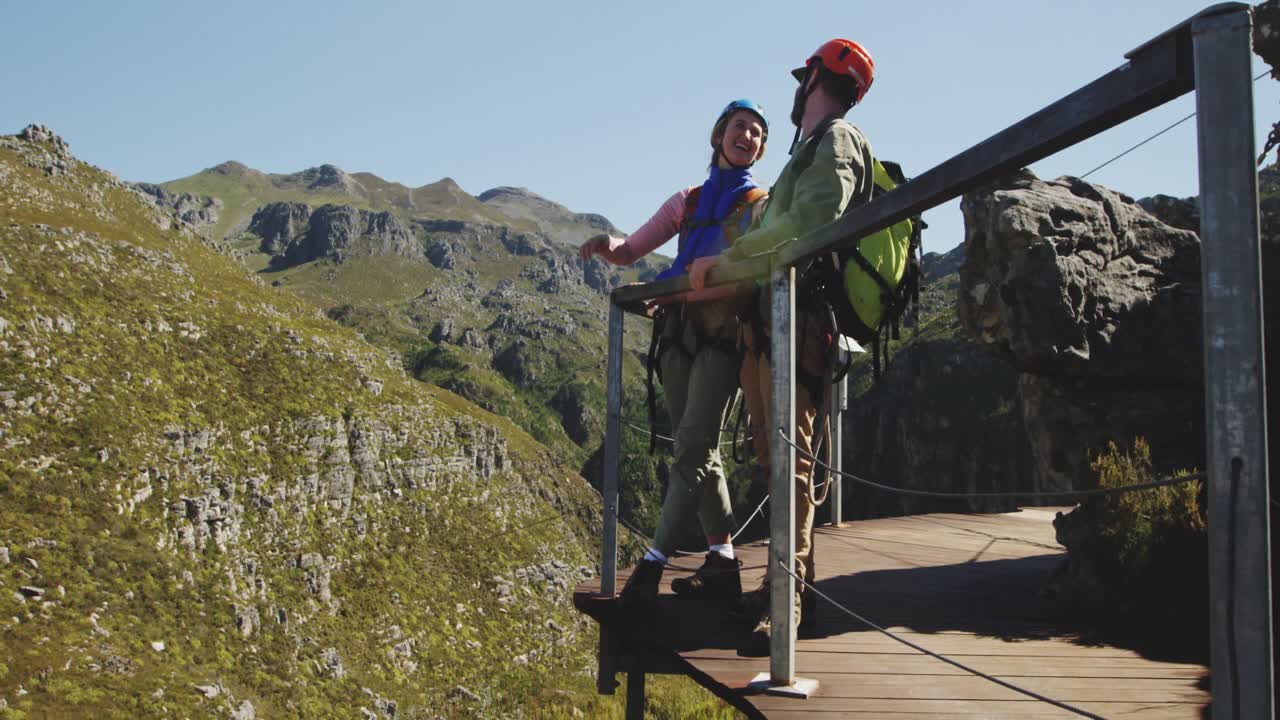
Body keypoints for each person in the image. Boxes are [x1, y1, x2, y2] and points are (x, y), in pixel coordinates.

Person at [689, 38, 878, 649]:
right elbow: (780, 227)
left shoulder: (838, 142)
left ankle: (786, 605)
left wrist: (727, 261)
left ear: (818, 78)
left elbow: (808, 224)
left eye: (805, 77)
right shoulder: (808, 150)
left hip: (797, 321)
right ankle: (790, 590)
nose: (797, 89)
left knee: (791, 466)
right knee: (777, 464)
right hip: (768, 325)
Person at [579, 100, 770, 614]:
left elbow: (760, 262)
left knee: (690, 445)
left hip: (722, 336)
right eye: (739, 127)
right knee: (700, 450)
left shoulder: (758, 204)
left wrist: (717, 268)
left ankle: (653, 563)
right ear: (718, 135)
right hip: (675, 336)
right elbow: (633, 248)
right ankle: (723, 562)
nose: (747, 137)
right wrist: (608, 245)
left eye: (756, 133)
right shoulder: (686, 202)